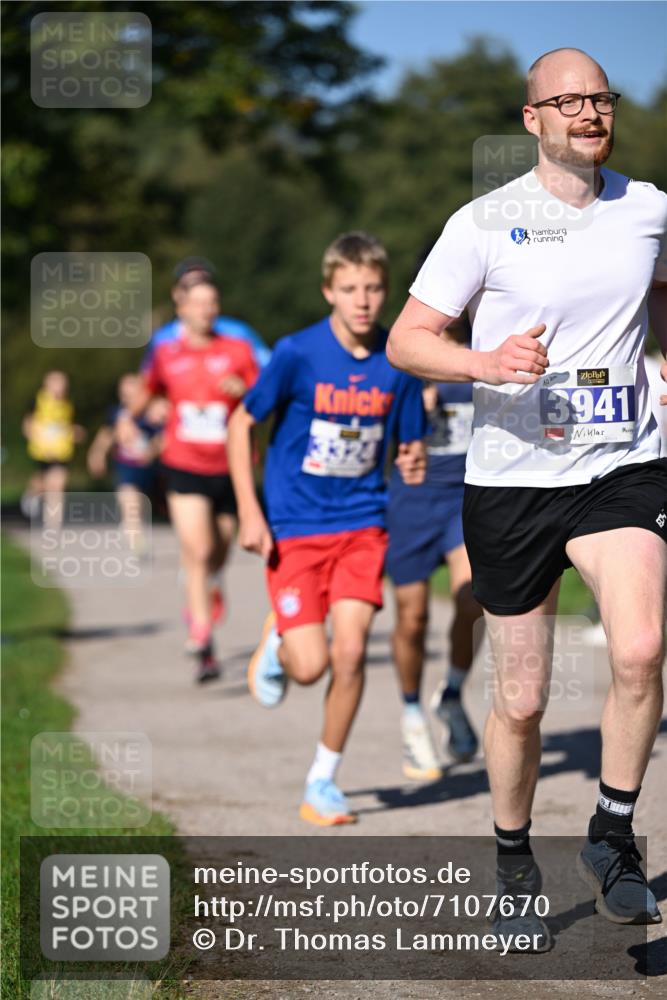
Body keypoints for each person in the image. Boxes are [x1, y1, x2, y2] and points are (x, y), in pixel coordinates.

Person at [387, 47, 666, 946]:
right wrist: (483, 362)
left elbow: (659, 294)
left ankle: (611, 835)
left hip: (621, 463)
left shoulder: (649, 209)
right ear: (532, 119)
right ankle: (512, 862)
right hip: (512, 478)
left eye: (600, 99)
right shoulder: (483, 222)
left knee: (640, 648)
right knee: (520, 699)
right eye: (568, 101)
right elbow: (406, 340)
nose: (588, 113)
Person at [227, 232, 427, 827]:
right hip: (296, 526)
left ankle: (323, 780)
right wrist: (249, 511)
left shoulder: (400, 358)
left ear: (386, 291)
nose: (363, 301)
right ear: (328, 291)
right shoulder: (297, 353)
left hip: (363, 525)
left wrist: (412, 458)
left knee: (351, 652)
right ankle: (280, 639)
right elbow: (240, 424)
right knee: (309, 667)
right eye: (350, 289)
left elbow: (408, 442)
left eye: (373, 288)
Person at [138, 276, 259, 682]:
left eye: (212, 302)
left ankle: (212, 583)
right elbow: (147, 393)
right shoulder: (165, 352)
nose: (206, 310)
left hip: (229, 466)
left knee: (220, 550)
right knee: (199, 550)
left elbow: (264, 397)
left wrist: (244, 389)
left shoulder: (238, 350)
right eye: (198, 303)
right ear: (181, 309)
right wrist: (152, 407)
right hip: (183, 462)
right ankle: (203, 640)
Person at [387, 313, 483, 782]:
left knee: (474, 600)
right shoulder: (406, 349)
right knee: (413, 618)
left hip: (463, 499)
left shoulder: (485, 345)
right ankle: (411, 715)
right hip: (411, 501)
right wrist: (408, 410)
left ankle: (452, 693)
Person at [143, 258, 271, 372]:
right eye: (188, 285)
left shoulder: (238, 333)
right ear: (176, 293)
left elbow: (268, 370)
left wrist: (243, 386)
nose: (197, 289)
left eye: (204, 283)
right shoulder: (162, 339)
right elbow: (149, 383)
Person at [87, 374, 167, 553]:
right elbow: (107, 435)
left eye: (132, 389)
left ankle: (131, 527)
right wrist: (97, 454)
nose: (128, 395)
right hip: (126, 467)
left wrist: (152, 450)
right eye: (124, 391)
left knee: (140, 506)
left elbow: (164, 435)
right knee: (130, 501)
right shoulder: (117, 413)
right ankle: (137, 543)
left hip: (149, 468)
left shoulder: (152, 411)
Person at [21, 370, 85, 531]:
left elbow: (67, 427)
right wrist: (40, 442)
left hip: (61, 453)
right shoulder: (37, 401)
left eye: (62, 384)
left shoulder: (68, 405)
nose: (60, 387)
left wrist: (75, 432)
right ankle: (32, 494)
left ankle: (53, 526)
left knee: (57, 486)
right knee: (42, 484)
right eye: (56, 383)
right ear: (47, 385)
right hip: (42, 452)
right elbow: (28, 425)